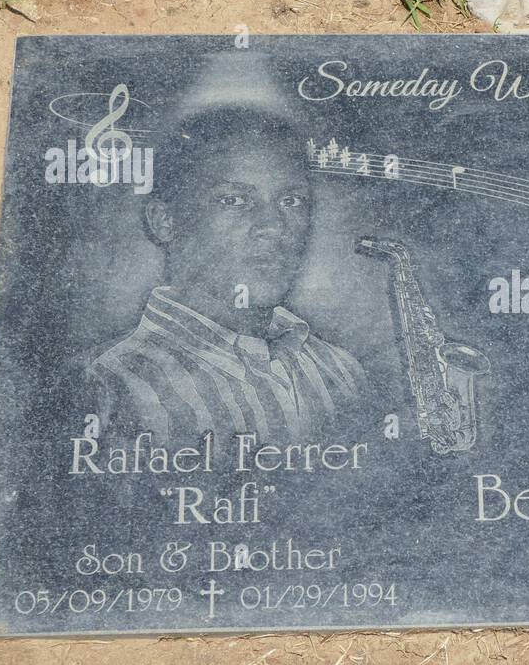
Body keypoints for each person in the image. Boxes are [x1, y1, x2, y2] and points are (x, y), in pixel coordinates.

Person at [88, 105, 368, 443]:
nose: (273, 227)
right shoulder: (111, 387)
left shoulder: (340, 372)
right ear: (165, 221)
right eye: (234, 200)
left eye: (292, 201)